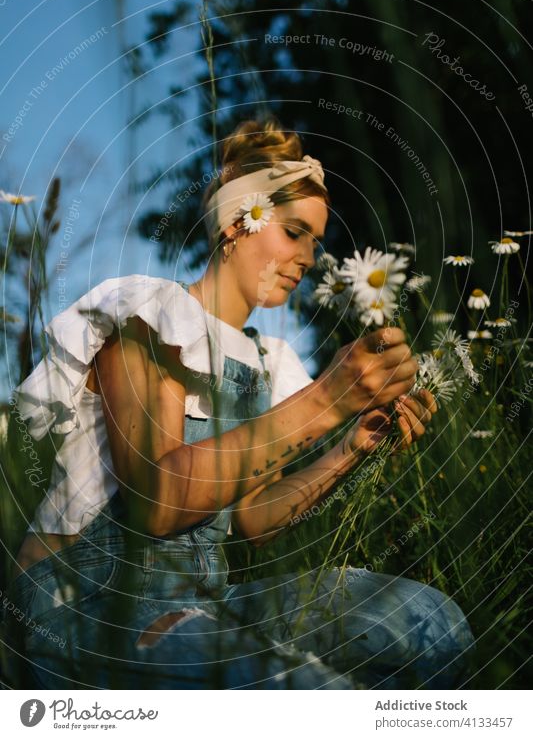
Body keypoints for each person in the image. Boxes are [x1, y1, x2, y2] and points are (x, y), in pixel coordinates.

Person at [4, 120, 475, 690]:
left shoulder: (264, 362)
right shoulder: (147, 316)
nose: (307, 257)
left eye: (316, 242)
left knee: (431, 625)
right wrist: (328, 398)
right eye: (295, 232)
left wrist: (351, 446)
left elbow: (253, 518)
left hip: (207, 602)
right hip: (91, 602)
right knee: (309, 691)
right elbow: (156, 500)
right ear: (238, 221)